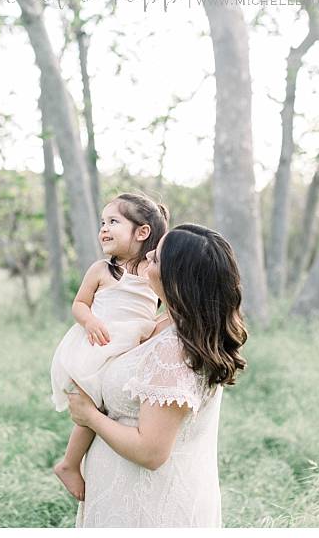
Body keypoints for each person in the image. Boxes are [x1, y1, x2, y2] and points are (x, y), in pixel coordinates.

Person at [67, 224, 248, 527]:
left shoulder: (174, 351)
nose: (148, 253)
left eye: (157, 258)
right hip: (125, 499)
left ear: (177, 279)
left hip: (149, 512)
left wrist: (89, 415)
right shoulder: (167, 324)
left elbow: (151, 451)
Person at [50, 193, 169, 502]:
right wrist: (89, 321)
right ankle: (69, 463)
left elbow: (155, 311)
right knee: (94, 402)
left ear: (142, 232)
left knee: (121, 402)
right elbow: (79, 304)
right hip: (100, 343)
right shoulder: (102, 270)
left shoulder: (153, 272)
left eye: (113, 222)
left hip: (131, 347)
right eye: (102, 222)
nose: (103, 229)